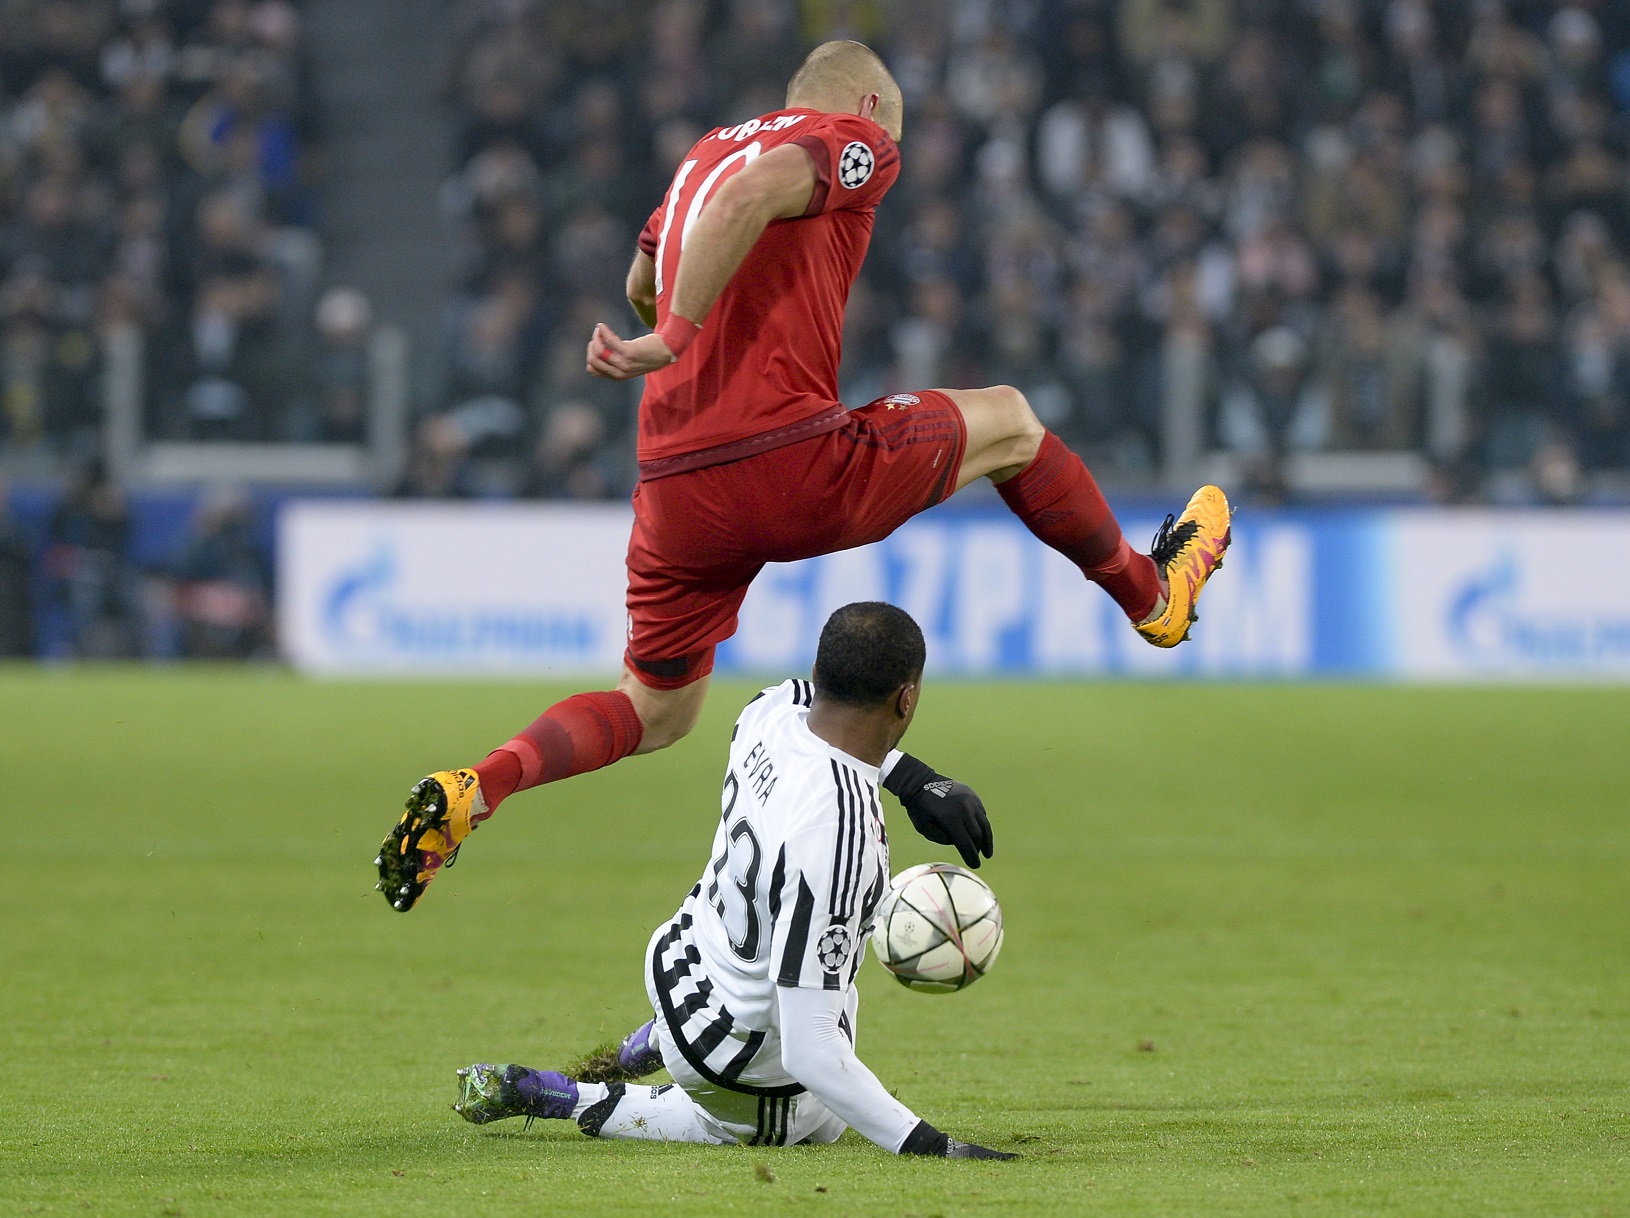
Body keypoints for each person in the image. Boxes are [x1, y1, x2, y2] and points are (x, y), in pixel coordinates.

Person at [376, 41, 1231, 913]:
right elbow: (744, 210)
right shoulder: (850, 139)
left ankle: (482, 785)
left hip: (674, 485)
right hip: (784, 458)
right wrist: (678, 334)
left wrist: (686, 329)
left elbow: (644, 274)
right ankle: (1149, 597)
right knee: (1010, 419)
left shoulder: (702, 155)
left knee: (656, 711)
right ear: (868, 105)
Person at [449, 603, 1015, 1159]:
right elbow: (811, 1053)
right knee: (807, 1122)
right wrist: (932, 1146)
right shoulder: (839, 836)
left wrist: (915, 779)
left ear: (819, 673)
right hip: (725, 1056)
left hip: (679, 963)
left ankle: (646, 1043)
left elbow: (820, 710)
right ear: (907, 698)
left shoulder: (766, 710)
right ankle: (564, 1096)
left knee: (802, 1017)